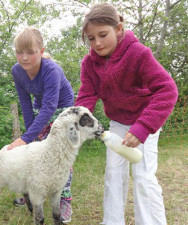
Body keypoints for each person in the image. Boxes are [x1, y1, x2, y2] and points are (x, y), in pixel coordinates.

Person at [75, 3, 178, 225]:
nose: (97, 43)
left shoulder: (138, 54)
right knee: (113, 174)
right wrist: (78, 119)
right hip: (118, 123)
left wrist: (142, 128)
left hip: (146, 123)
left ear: (119, 29)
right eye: (91, 39)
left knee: (142, 177)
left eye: (103, 35)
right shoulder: (89, 64)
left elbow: (168, 89)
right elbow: (86, 96)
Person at [8, 26, 75, 223]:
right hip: (41, 106)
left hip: (62, 108)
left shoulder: (52, 70)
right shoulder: (17, 71)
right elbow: (25, 103)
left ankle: (64, 199)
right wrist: (31, 136)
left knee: (60, 156)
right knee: (36, 152)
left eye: (31, 52)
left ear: (42, 51)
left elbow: (50, 106)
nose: (24, 57)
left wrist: (25, 138)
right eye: (19, 52)